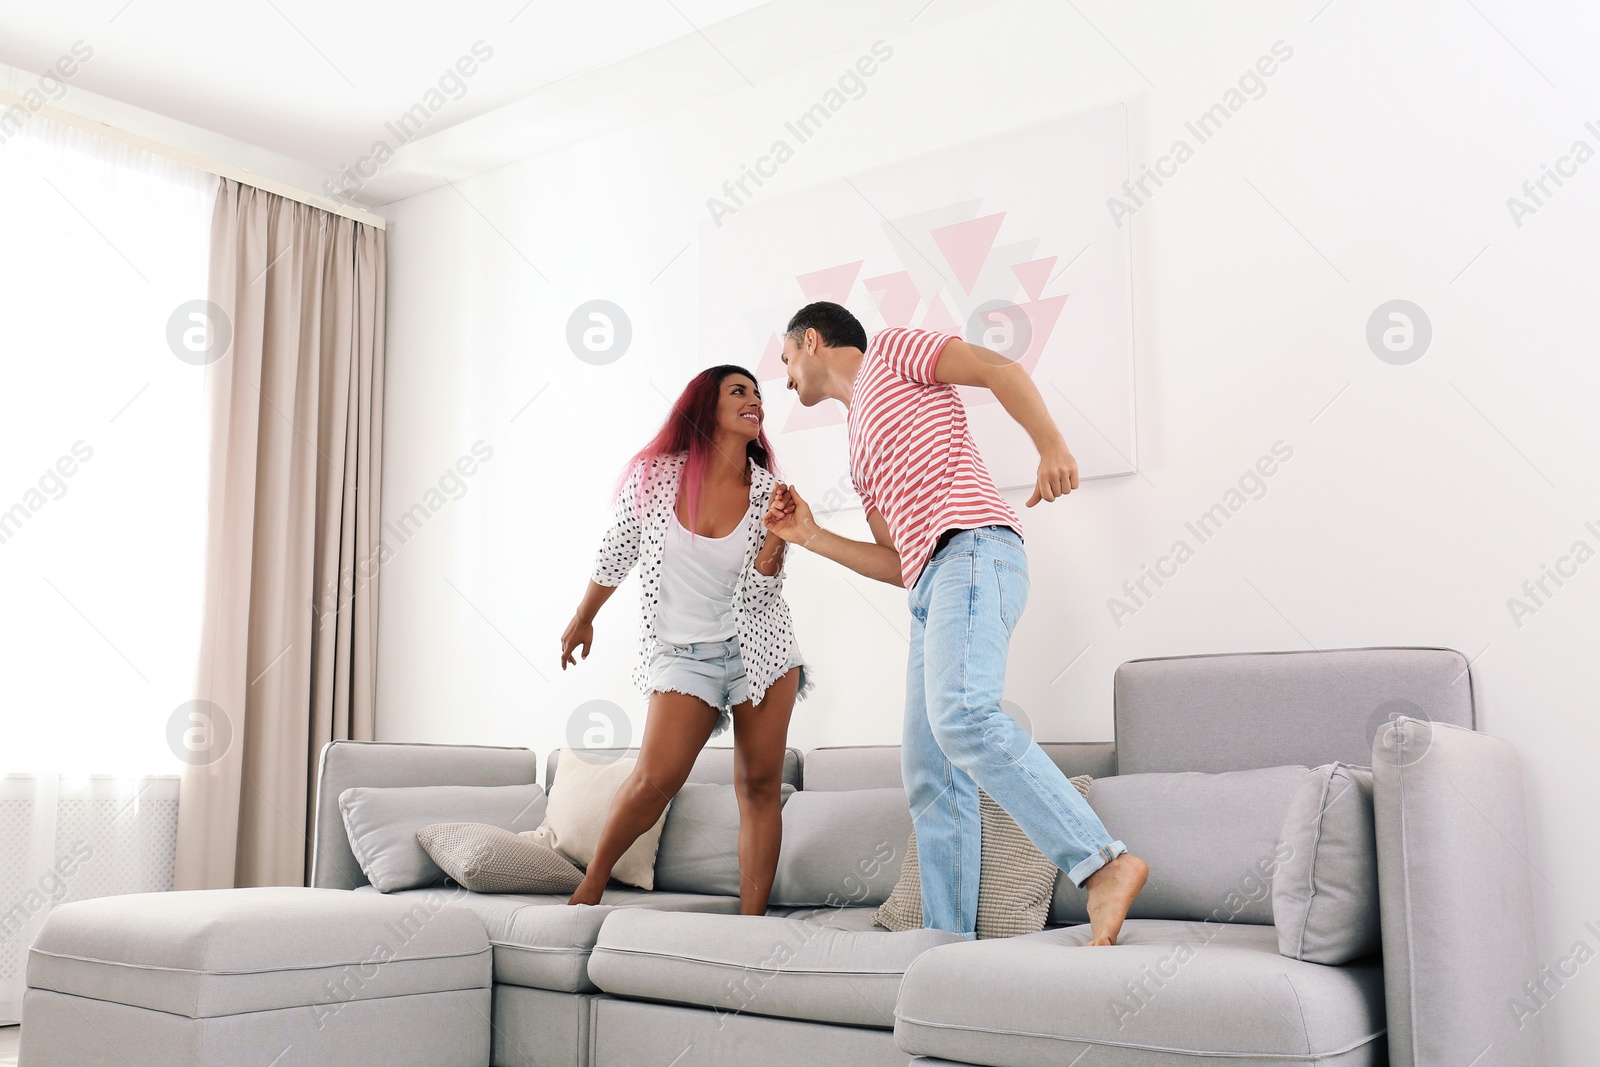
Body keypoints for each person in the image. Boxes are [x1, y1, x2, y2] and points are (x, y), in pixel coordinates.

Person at [764, 302, 1147, 946]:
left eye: (785, 362)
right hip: (930, 584)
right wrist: (808, 535)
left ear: (811, 341)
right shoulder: (860, 452)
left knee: (963, 717)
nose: (785, 378)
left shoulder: (890, 349)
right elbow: (896, 563)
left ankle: (1103, 863)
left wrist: (1051, 445)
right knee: (929, 773)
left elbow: (999, 368)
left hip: (973, 549)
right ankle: (944, 945)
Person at [559, 365, 809, 913]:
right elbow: (617, 550)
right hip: (682, 653)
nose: (754, 401)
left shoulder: (771, 492)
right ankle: (591, 885)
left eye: (758, 394)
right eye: (738, 392)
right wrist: (584, 617)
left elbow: (763, 592)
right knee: (654, 779)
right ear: (705, 407)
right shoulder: (656, 477)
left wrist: (775, 542)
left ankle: (751, 923)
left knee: (759, 788)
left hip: (760, 654)